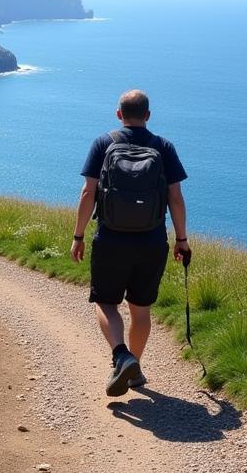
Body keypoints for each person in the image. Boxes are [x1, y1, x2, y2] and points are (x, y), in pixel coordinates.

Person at [70, 89, 189, 396]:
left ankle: (121, 356)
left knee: (106, 302)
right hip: (151, 241)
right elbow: (175, 198)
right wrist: (182, 239)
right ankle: (134, 369)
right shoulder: (163, 147)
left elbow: (88, 193)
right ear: (148, 116)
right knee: (141, 309)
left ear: (118, 114)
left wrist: (78, 235)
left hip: (111, 239)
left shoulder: (103, 143)